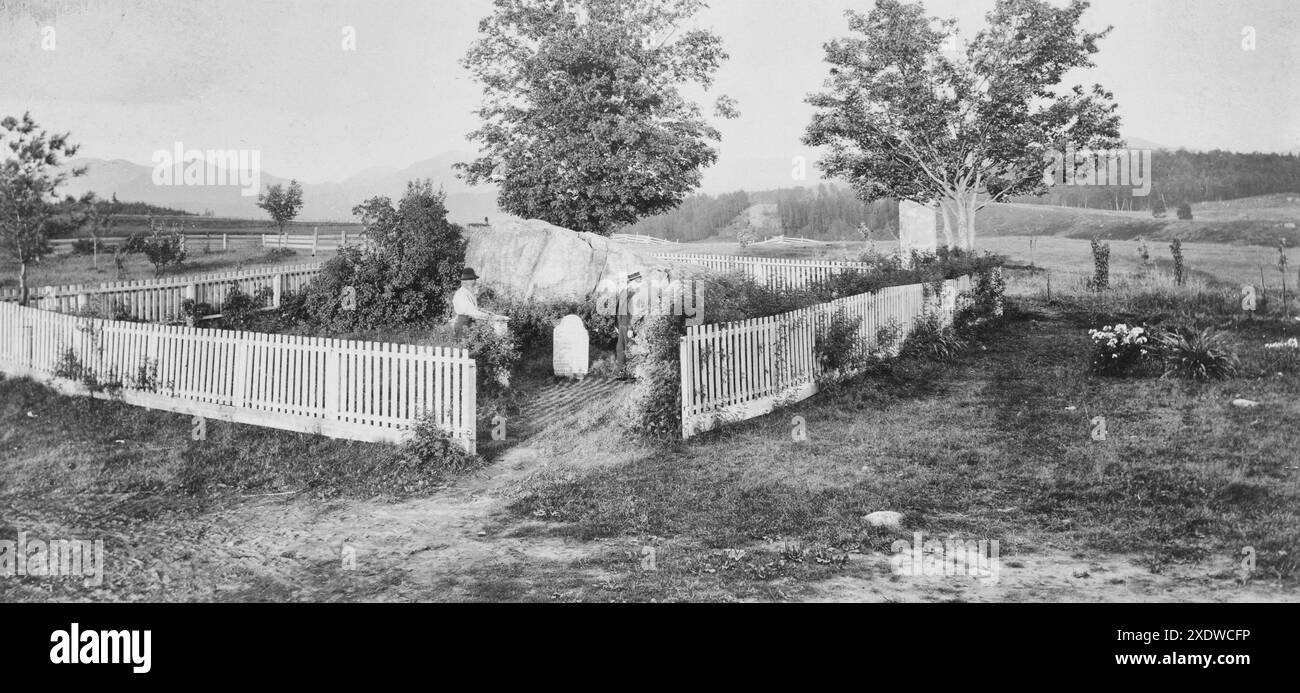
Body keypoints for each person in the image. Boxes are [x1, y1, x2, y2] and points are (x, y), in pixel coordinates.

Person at [451, 267, 502, 338]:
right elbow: (471, 311)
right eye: (473, 279)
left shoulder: (468, 293)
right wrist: (488, 317)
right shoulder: (461, 294)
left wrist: (485, 312)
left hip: (469, 323)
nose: (475, 281)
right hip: (463, 325)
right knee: (463, 348)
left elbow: (474, 308)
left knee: (469, 347)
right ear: (466, 281)